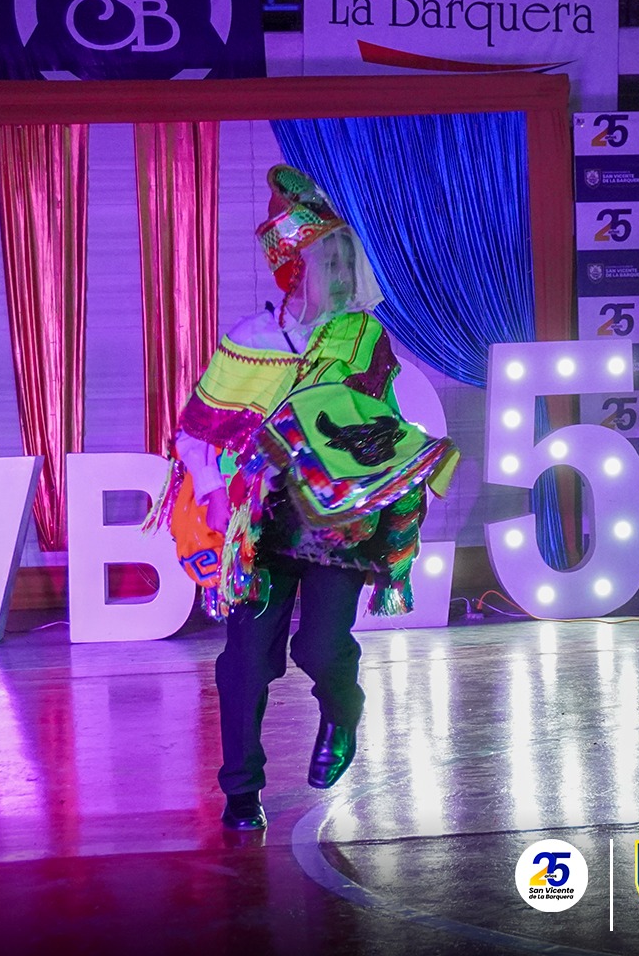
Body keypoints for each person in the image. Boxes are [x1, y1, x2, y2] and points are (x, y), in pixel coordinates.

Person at [147, 165, 458, 832]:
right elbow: (196, 432)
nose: (341, 274)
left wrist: (401, 461)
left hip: (334, 519)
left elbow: (375, 425)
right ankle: (241, 791)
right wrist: (215, 494)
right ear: (294, 267)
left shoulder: (363, 337)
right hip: (257, 524)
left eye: (347, 261)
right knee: (245, 663)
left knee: (320, 648)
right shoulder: (249, 339)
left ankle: (343, 712)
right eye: (328, 261)